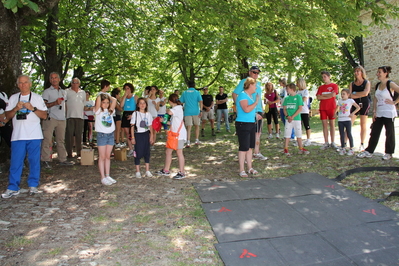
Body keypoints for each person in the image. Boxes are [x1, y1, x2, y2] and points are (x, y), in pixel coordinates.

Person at [2, 75, 48, 198]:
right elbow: (7, 115)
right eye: (21, 83)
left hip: (34, 134)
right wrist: (16, 108)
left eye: (25, 82)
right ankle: (13, 187)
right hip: (18, 135)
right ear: (18, 85)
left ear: (30, 84)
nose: (23, 85)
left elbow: (44, 115)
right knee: (16, 162)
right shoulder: (13, 98)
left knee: (34, 161)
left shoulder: (37, 98)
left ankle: (33, 185)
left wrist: (32, 108)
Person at [358, 66, 399, 160]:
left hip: (389, 112)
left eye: (379, 72)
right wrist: (374, 111)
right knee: (374, 132)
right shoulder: (377, 85)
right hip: (379, 112)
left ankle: (388, 152)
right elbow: (376, 98)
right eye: (377, 72)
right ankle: (369, 151)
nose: (378, 74)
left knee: (389, 132)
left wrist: (394, 102)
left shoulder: (390, 84)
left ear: (386, 73)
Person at [233, 66, 266, 160]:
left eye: (257, 73)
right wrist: (238, 108)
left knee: (258, 132)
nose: (256, 74)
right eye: (254, 72)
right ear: (249, 72)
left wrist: (261, 109)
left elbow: (259, 97)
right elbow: (235, 94)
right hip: (249, 110)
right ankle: (247, 153)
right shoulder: (244, 81)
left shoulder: (258, 84)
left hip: (258, 109)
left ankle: (256, 152)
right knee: (249, 133)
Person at [41, 72, 73, 168]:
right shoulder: (47, 91)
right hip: (51, 118)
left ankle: (62, 159)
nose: (54, 79)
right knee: (47, 139)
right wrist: (55, 102)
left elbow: (65, 105)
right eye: (52, 78)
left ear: (59, 79)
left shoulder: (64, 92)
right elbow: (43, 105)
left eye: (56, 78)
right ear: (50, 80)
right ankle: (45, 160)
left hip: (62, 118)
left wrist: (66, 115)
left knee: (61, 140)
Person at [156, 94, 187, 180]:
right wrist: (164, 121)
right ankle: (166, 170)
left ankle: (182, 172)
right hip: (174, 135)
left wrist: (164, 108)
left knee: (179, 152)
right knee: (168, 151)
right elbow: (173, 123)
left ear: (170, 101)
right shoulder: (176, 109)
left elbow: (169, 112)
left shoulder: (177, 108)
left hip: (179, 135)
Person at [235, 77, 260, 177]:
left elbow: (250, 110)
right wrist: (256, 103)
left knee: (250, 147)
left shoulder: (250, 96)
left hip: (251, 123)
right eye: (254, 85)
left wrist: (255, 115)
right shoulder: (242, 95)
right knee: (243, 148)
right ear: (250, 85)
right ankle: (241, 170)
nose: (256, 87)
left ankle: (250, 168)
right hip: (243, 124)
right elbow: (246, 109)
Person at [94, 93, 117, 185]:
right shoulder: (98, 111)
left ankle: (107, 175)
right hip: (102, 135)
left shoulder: (110, 111)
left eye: (107, 102)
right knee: (102, 157)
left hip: (110, 135)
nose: (106, 104)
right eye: (104, 102)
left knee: (108, 156)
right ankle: (102, 177)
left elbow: (114, 100)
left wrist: (108, 96)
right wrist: (101, 95)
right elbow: (98, 99)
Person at [283, 83, 309, 156]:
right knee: (287, 134)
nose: (286, 90)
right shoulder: (286, 98)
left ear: (292, 89)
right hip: (288, 119)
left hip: (297, 118)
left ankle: (301, 147)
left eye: (287, 88)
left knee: (298, 133)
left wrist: (293, 116)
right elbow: (284, 109)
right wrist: (288, 116)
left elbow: (300, 108)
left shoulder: (298, 97)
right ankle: (286, 148)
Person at [130, 98, 154, 178]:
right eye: (140, 103)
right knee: (138, 152)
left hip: (146, 134)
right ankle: (138, 171)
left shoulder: (148, 114)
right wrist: (133, 137)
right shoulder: (135, 114)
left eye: (144, 103)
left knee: (147, 152)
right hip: (138, 135)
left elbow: (150, 126)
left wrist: (152, 136)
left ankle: (147, 170)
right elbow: (132, 126)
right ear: (138, 105)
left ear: (146, 105)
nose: (142, 105)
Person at [349, 66, 371, 151]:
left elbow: (366, 93)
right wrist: (358, 94)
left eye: (358, 71)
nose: (356, 72)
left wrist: (355, 93)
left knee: (363, 124)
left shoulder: (366, 82)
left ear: (362, 72)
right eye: (355, 71)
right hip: (354, 104)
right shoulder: (352, 84)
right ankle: (345, 143)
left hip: (364, 103)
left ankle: (362, 144)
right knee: (349, 123)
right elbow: (350, 95)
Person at [316, 71, 339, 150]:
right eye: (322, 77)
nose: (323, 78)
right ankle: (326, 142)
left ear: (329, 77)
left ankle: (333, 142)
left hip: (331, 107)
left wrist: (324, 95)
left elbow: (333, 95)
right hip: (323, 108)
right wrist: (328, 96)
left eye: (325, 76)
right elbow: (318, 97)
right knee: (324, 125)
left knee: (332, 125)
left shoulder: (334, 85)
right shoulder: (321, 87)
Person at [65, 78, 86, 158]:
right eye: (73, 82)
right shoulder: (67, 91)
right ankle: (69, 152)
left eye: (76, 82)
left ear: (79, 84)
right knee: (69, 135)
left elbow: (83, 104)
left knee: (79, 134)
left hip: (80, 116)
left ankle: (79, 152)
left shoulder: (83, 92)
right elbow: (65, 103)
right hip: (70, 116)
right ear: (71, 83)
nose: (75, 84)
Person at [336, 89, 360, 156]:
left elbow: (358, 107)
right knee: (341, 134)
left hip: (347, 119)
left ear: (348, 95)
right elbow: (337, 108)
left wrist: (352, 113)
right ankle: (343, 147)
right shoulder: (339, 101)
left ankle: (351, 148)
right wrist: (335, 113)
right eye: (341, 94)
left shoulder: (350, 101)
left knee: (349, 133)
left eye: (344, 94)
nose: (342, 95)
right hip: (340, 120)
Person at [180, 81, 203, 147]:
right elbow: (201, 102)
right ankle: (196, 140)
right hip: (196, 111)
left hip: (187, 112)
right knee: (197, 126)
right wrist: (201, 111)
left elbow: (180, 101)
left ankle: (188, 142)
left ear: (188, 86)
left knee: (188, 127)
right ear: (194, 85)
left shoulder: (184, 93)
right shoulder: (197, 92)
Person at [120, 83, 138, 157]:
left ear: (131, 89)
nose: (127, 90)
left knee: (133, 133)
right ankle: (130, 149)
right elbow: (121, 106)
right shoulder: (123, 97)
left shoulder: (135, 97)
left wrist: (133, 115)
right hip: (125, 114)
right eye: (125, 88)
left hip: (133, 113)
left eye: (128, 88)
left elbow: (138, 107)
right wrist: (124, 96)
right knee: (127, 133)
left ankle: (136, 148)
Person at [296, 78, 312, 146]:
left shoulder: (305, 91)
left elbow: (304, 99)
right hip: (298, 111)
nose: (297, 84)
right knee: (298, 126)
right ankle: (299, 140)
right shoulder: (297, 92)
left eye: (298, 83)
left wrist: (297, 100)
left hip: (304, 110)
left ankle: (308, 139)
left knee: (306, 125)